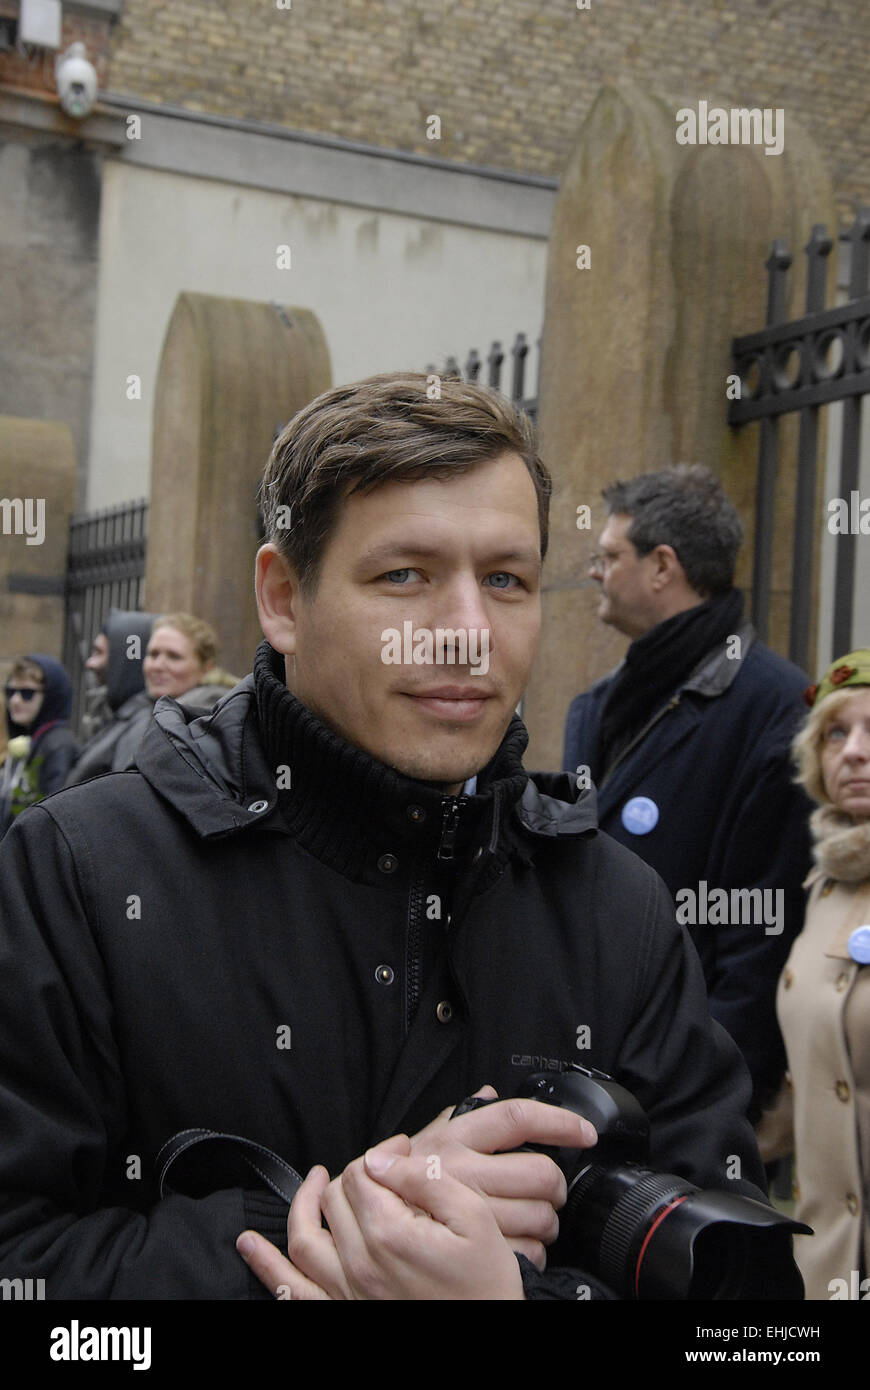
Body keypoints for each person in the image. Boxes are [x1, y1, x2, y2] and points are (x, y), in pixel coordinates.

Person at [0, 375, 768, 1300]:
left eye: (505, 580)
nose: (467, 635)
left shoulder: (618, 910)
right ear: (283, 597)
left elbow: (749, 1317)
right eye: (404, 576)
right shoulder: (78, 875)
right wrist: (327, 1245)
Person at [563, 465, 812, 1124]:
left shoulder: (776, 710)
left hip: (684, 1098)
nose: (595, 571)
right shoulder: (596, 706)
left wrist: (714, 1106)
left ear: (662, 566)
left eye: (610, 556)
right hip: (593, 1075)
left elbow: (760, 942)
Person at [757, 651, 870, 1300]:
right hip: (827, 1262)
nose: (854, 752)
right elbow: (817, 1080)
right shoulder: (825, 879)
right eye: (837, 732)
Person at [0, 654, 78, 840]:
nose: (15, 700)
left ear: (51, 696)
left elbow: (52, 817)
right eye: (11, 692)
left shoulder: (58, 745)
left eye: (27, 693)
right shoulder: (32, 740)